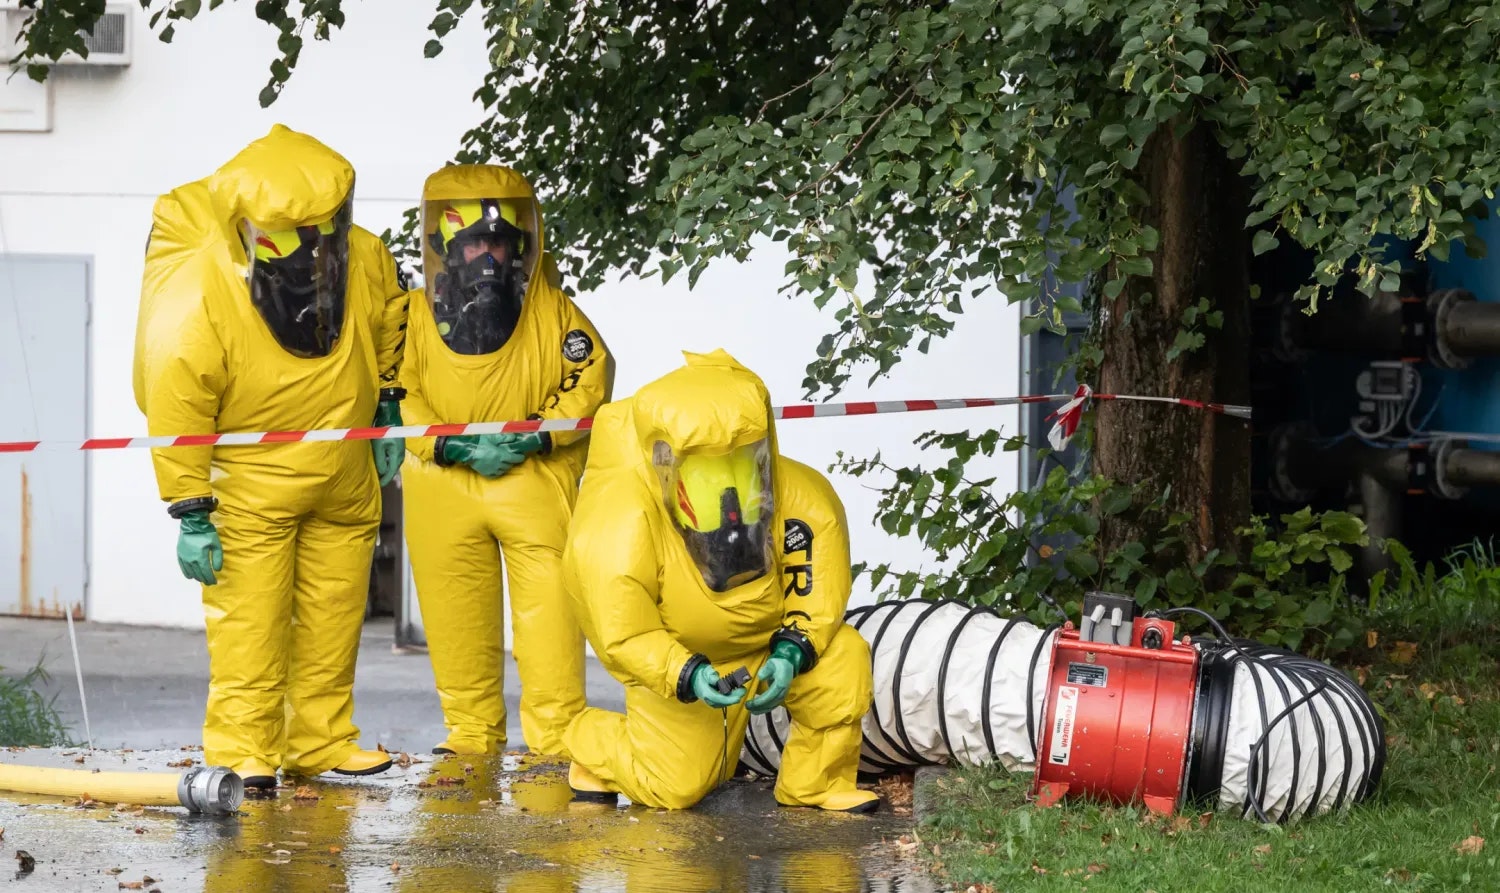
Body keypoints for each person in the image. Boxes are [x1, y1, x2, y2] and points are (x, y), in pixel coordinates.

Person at [132, 124, 410, 790]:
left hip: (343, 477)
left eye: (323, 233)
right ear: (250, 230)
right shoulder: (201, 291)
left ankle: (320, 737)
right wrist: (191, 507)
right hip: (250, 488)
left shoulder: (363, 258)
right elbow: (178, 400)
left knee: (334, 615)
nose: (312, 252)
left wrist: (390, 404)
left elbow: (389, 320)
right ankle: (243, 749)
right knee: (250, 626)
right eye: (293, 236)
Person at [560, 349, 880, 813]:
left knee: (843, 654)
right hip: (682, 654)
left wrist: (793, 652)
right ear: (665, 461)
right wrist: (685, 673)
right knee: (676, 788)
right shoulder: (621, 523)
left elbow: (818, 594)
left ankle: (816, 782)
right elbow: (625, 632)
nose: (730, 485)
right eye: (708, 464)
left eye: (741, 456)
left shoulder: (805, 499)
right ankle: (593, 747)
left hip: (770, 645)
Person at [397, 163, 614, 756]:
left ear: (520, 243)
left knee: (550, 623)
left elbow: (590, 381)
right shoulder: (415, 316)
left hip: (533, 483)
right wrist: (450, 444)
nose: (487, 255)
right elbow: (397, 394)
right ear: (449, 247)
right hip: (444, 484)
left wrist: (534, 438)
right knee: (455, 620)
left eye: (497, 241)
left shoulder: (555, 311)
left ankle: (557, 741)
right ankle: (470, 738)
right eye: (474, 242)